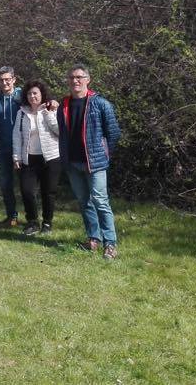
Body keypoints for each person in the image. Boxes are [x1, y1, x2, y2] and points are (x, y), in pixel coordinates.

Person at [56, 64, 122, 259]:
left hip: (95, 163)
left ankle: (110, 243)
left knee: (101, 201)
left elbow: (113, 133)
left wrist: (104, 154)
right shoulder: (64, 105)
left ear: (88, 79)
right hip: (73, 163)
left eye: (79, 77)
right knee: (84, 202)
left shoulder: (101, 104)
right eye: (71, 77)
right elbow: (62, 135)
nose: (75, 81)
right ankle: (93, 238)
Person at [13, 81, 61, 236]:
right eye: (29, 94)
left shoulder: (51, 109)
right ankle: (32, 222)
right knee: (27, 191)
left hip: (50, 158)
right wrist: (16, 157)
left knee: (48, 192)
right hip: (29, 159)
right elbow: (16, 136)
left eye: (35, 93)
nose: (32, 96)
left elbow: (59, 131)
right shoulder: (21, 113)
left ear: (42, 95)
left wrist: (49, 114)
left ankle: (47, 222)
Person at [0, 66, 23, 227]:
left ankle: (33, 220)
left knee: (26, 185)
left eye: (7, 80)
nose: (4, 83)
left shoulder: (23, 96)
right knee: (5, 184)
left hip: (23, 148)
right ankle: (12, 216)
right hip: (2, 149)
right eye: (1, 80)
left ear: (14, 79)